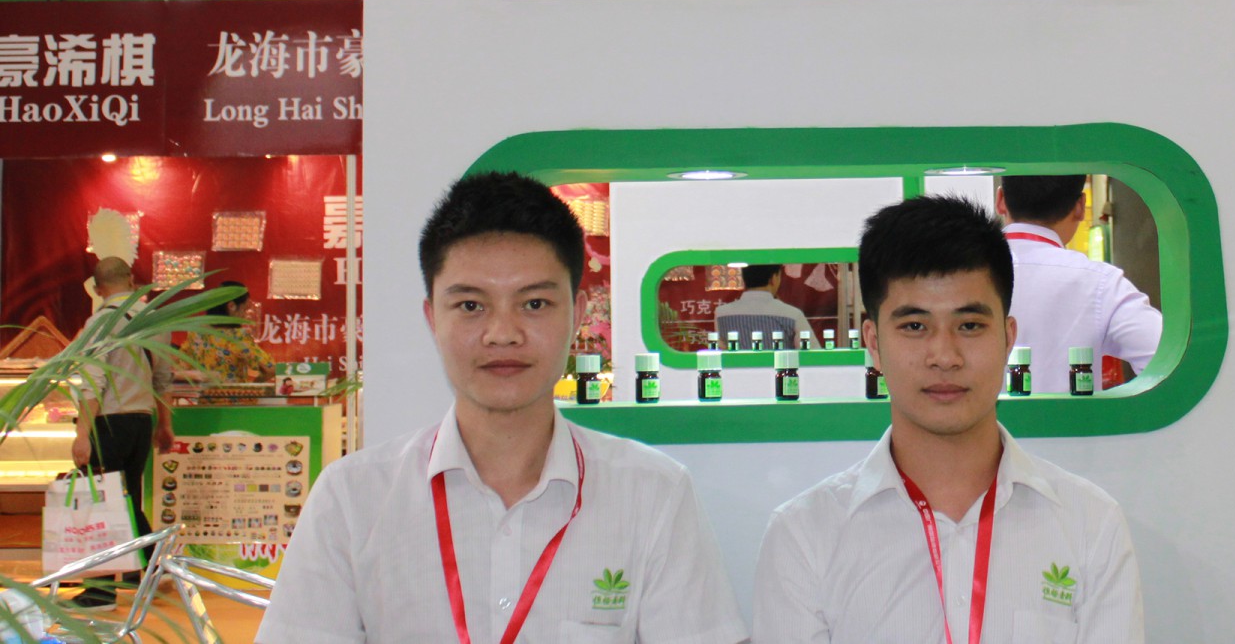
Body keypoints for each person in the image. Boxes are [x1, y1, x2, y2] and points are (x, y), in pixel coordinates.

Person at [260, 172, 745, 643]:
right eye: (471, 306)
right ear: (433, 318)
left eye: (534, 304)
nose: (503, 333)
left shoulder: (652, 494)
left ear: (577, 314)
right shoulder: (352, 499)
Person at [752, 195, 1145, 643]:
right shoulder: (806, 536)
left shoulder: (1089, 524)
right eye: (915, 326)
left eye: (970, 325)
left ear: (1008, 339)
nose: (944, 356)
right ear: (873, 343)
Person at [68, 256, 173, 611]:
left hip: (108, 422)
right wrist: (165, 424)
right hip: (141, 421)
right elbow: (162, 379)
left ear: (98, 289)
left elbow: (93, 381)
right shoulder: (155, 320)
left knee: (102, 504)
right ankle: (146, 568)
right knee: (127, 500)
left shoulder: (100, 323)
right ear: (131, 281)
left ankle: (100, 592)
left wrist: (82, 433)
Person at [996, 175, 1161, 393]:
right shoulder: (1102, 283)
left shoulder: (960, 273)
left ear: (1000, 200)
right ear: (1080, 207)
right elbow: (1168, 364)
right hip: (1074, 417)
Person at [181, 280, 274, 383]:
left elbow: (181, 366)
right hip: (231, 393)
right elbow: (270, 369)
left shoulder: (195, 333)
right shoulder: (237, 337)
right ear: (231, 306)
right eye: (244, 309)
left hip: (200, 393)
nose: (244, 316)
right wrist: (254, 386)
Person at [715, 264, 805, 350]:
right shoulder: (792, 314)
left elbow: (722, 349)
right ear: (774, 278)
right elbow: (810, 353)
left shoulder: (721, 313)